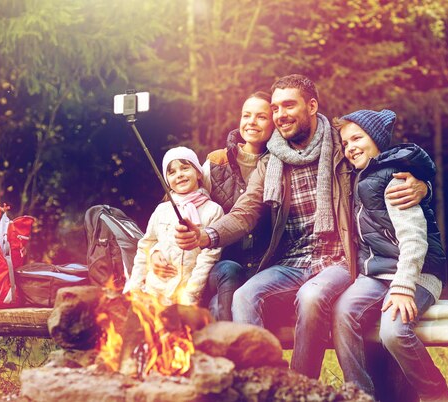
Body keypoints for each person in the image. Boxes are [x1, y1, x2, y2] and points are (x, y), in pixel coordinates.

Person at [174, 74, 428, 379]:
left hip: (341, 259)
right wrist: (205, 235)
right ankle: (268, 382)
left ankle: (300, 385)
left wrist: (422, 183)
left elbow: (385, 162)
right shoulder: (271, 163)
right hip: (293, 261)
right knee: (244, 295)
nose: (281, 114)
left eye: (289, 105)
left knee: (310, 296)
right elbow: (245, 212)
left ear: (311, 106)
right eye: (276, 108)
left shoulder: (339, 145)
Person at [331, 109, 448, 400]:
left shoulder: (396, 179)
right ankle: (360, 395)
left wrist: (402, 287)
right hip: (377, 273)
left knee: (394, 332)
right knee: (342, 313)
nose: (350, 148)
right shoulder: (360, 178)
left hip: (417, 273)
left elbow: (413, 239)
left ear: (377, 139)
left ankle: (438, 395)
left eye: (357, 138)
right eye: (345, 143)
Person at [201, 91, 274, 321]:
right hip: (222, 271)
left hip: (263, 271)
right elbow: (181, 208)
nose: (251, 122)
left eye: (261, 117)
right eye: (246, 115)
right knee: (216, 309)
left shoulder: (280, 166)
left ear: (274, 123)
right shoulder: (215, 162)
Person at [123, 146, 224, 306]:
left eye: (185, 168)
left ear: (198, 173)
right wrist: (135, 287)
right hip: (154, 292)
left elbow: (209, 257)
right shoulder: (162, 209)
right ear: (167, 181)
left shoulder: (213, 210)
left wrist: (190, 295)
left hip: (186, 297)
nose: (180, 175)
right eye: (172, 172)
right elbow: (146, 246)